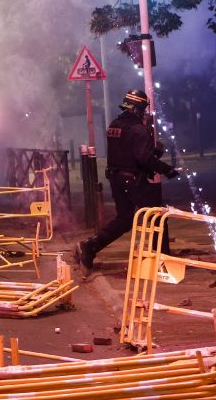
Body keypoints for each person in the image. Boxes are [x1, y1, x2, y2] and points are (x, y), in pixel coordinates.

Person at [75, 90, 178, 273]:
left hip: (116, 179)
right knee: (157, 216)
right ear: (138, 109)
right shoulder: (139, 130)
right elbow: (142, 158)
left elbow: (127, 153)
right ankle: (163, 263)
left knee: (125, 219)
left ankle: (91, 246)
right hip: (133, 180)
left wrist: (152, 153)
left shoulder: (114, 125)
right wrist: (166, 169)